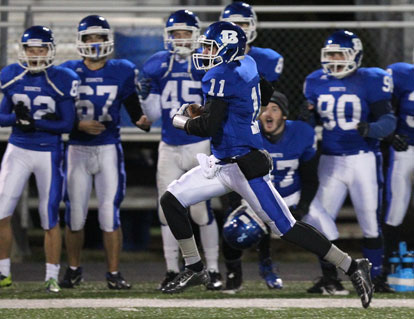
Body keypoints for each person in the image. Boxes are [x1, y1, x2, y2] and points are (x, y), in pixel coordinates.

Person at [160, 21, 374, 309]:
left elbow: (207, 127)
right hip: (222, 162)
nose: (205, 52)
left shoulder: (220, 74)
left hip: (244, 167)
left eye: (211, 47)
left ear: (228, 49)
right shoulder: (246, 63)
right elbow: (266, 89)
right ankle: (195, 267)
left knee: (287, 228)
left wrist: (180, 119)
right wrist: (225, 113)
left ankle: (352, 265)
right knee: (172, 200)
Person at [59, 15, 150, 290]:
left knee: (110, 214)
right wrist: (78, 124)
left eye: (99, 37)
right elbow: (59, 112)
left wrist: (145, 120)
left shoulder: (122, 70)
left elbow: (135, 109)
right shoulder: (67, 71)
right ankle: (73, 270)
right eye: (90, 38)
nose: (95, 42)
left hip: (108, 148)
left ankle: (113, 273)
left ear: (108, 40)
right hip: (77, 148)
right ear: (81, 41)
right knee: (75, 214)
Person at [302, 30, 396, 295]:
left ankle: (375, 278)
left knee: (369, 221)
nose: (333, 60)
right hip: (330, 160)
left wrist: (371, 129)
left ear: (356, 56)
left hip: (362, 159)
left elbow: (388, 121)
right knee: (319, 222)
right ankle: (330, 279)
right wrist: (307, 117)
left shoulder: (371, 79)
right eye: (329, 54)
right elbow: (314, 120)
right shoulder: (314, 81)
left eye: (339, 54)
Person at [140, 9, 223, 291]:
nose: (181, 37)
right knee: (166, 210)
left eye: (186, 32)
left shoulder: (207, 62)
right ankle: (172, 269)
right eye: (176, 32)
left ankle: (211, 268)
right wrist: (147, 90)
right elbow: (150, 115)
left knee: (201, 212)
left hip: (198, 143)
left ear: (196, 34)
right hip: (169, 145)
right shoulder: (157, 64)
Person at [0, 26, 79, 292]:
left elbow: (68, 123)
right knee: (1, 212)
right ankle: (3, 273)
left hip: (48, 151)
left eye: (40, 50)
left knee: (49, 216)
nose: (34, 55)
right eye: (30, 50)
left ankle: (51, 275)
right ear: (22, 51)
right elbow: (2, 116)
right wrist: (16, 120)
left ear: (49, 51)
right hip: (18, 149)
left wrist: (35, 122)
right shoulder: (12, 75)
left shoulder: (62, 78)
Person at [221, 91, 318, 293]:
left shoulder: (301, 133)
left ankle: (331, 278)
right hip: (259, 197)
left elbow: (310, 178)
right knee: (233, 223)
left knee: (322, 223)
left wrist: (303, 207)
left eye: (274, 109)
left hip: (291, 197)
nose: (268, 113)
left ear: (284, 115)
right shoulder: (248, 134)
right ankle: (236, 274)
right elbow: (234, 175)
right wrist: (235, 204)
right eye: (264, 109)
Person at [219, 1, 285, 291]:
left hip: (253, 139)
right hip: (225, 141)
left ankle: (266, 262)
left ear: (253, 28)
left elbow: (269, 99)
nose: (237, 31)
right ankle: (233, 271)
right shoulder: (214, 59)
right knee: (231, 207)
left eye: (243, 25)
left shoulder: (266, 59)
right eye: (232, 24)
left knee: (262, 206)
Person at [380, 62, 414, 288]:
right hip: (406, 147)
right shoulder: (401, 74)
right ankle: (388, 262)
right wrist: (391, 134)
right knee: (396, 205)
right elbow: (383, 108)